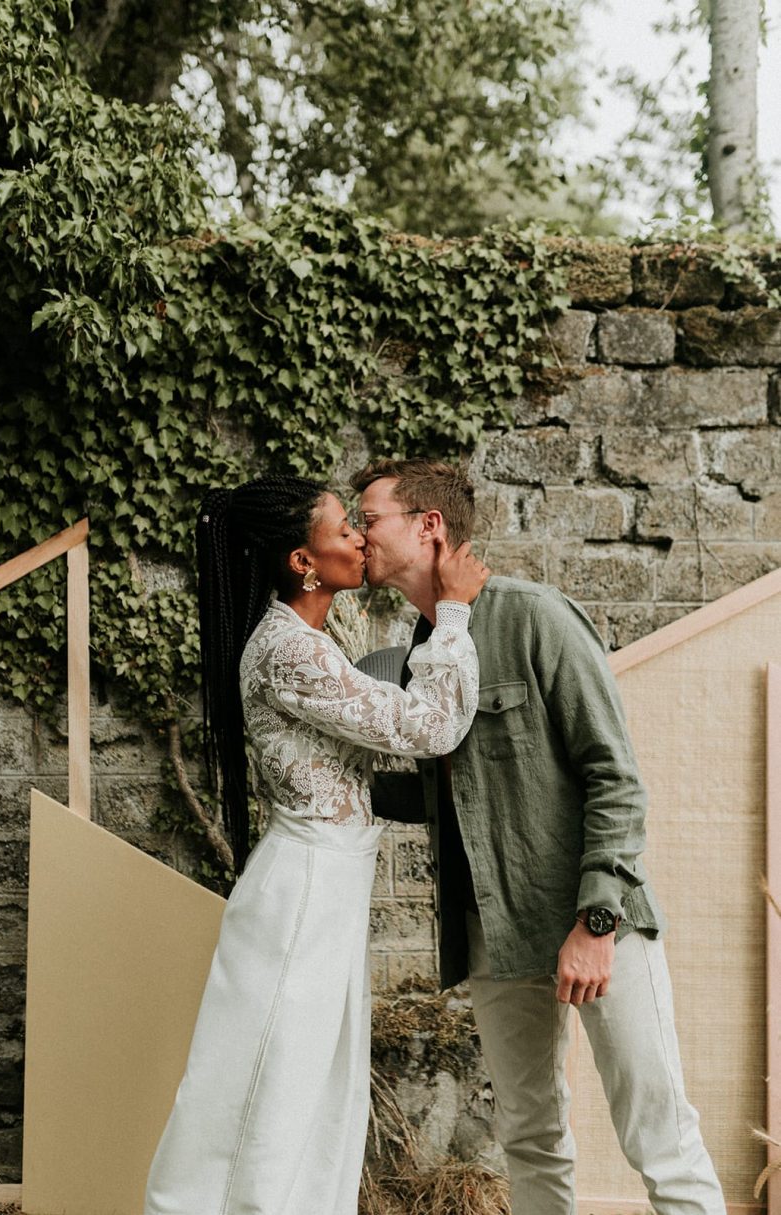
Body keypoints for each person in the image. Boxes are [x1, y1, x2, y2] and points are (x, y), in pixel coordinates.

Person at [351, 457, 726, 1215]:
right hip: (489, 930)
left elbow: (614, 776)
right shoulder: (426, 651)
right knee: (528, 1136)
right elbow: (452, 797)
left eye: (370, 518)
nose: (359, 534)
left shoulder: (535, 618)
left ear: (429, 527)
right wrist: (324, 771)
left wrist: (595, 922)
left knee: (659, 1135)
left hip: (593, 917)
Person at [143, 474, 488, 1215]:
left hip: (327, 890)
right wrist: (453, 612)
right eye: (345, 530)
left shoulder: (313, 639)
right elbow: (428, 726)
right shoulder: (289, 650)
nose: (362, 539)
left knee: (318, 1103)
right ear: (304, 561)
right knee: (265, 1099)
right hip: (299, 896)